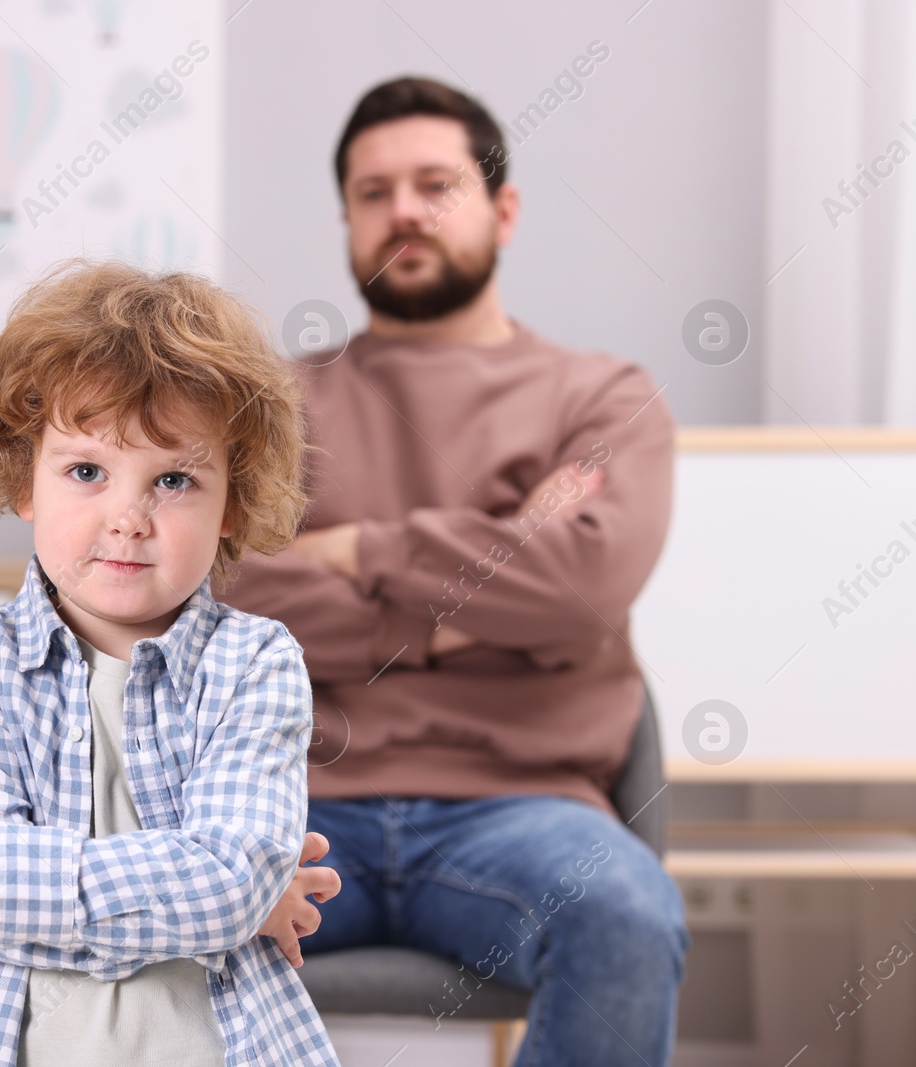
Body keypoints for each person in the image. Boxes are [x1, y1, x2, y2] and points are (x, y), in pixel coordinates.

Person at [216, 77, 688, 1066]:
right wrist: (484, 574)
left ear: (501, 209)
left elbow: (580, 586)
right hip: (291, 804)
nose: (404, 212)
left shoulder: (598, 395)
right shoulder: (273, 404)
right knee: (137, 923)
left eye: (435, 184)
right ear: (345, 217)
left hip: (526, 809)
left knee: (627, 914)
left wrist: (358, 548)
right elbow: (225, 595)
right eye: (374, 191)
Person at [0, 261, 343, 1066]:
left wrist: (2, 865)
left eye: (173, 478)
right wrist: (216, 905)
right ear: (25, 477)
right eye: (86, 471)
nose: (128, 519)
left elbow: (228, 880)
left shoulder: (255, 660)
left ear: (231, 502)